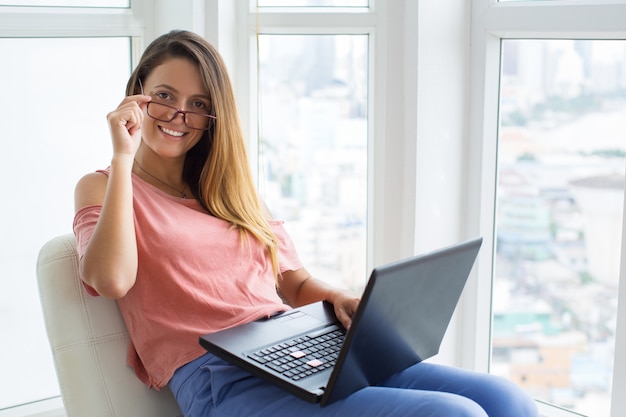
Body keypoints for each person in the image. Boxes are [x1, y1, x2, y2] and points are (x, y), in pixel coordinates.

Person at [73, 30, 538, 417]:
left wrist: (339, 298)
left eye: (197, 104)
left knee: (507, 400)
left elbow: (293, 284)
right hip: (221, 382)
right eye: (163, 96)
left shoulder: (228, 188)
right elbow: (111, 279)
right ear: (136, 95)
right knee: (455, 415)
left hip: (299, 346)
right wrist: (123, 154)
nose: (179, 115)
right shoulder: (104, 187)